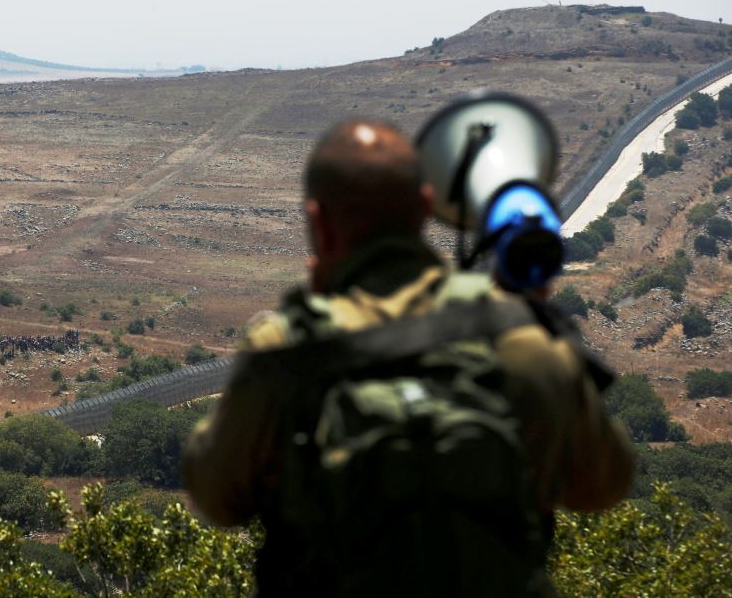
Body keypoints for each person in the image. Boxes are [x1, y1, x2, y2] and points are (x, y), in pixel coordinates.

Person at [182, 119, 634, 596]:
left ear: (318, 220)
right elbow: (601, 486)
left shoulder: (285, 351)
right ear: (423, 208)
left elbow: (216, 499)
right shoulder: (519, 337)